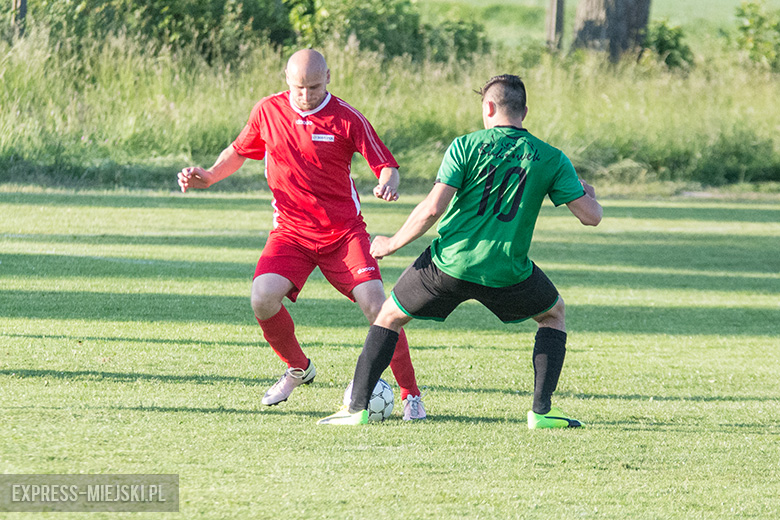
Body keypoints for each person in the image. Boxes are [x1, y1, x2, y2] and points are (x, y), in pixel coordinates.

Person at [318, 74, 602, 427]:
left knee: (388, 316)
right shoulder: (551, 158)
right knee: (553, 314)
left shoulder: (465, 145)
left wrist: (391, 244)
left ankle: (356, 409)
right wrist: (584, 189)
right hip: (506, 270)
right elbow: (591, 217)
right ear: (525, 111)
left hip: (448, 265)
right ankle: (542, 412)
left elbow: (432, 208)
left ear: (488, 107)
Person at [177, 49, 426, 420]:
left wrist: (387, 183)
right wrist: (210, 175)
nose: (305, 94)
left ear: (328, 77)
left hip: (343, 234)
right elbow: (239, 150)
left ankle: (411, 396)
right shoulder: (268, 111)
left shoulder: (347, 118)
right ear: (286, 80)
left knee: (379, 307)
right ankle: (298, 367)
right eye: (298, 87)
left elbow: (385, 164)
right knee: (262, 298)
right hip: (290, 233)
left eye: (313, 86)